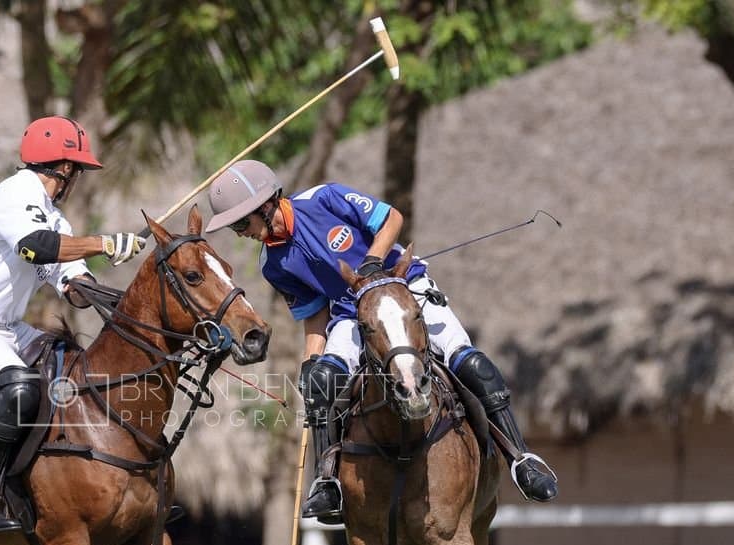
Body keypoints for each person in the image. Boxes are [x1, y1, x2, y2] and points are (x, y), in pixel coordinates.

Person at [203, 160, 557, 519]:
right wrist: (311, 360)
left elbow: (392, 219)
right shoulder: (272, 263)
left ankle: (521, 459)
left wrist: (373, 261)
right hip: (351, 314)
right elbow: (314, 314)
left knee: (472, 363)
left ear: (264, 205)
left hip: (406, 290)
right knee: (320, 382)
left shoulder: (324, 199)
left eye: (240, 223)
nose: (238, 232)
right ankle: (328, 482)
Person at [0, 116, 146, 534]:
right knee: (21, 386)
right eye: (77, 170)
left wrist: (109, 279)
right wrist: (104, 242)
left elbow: (74, 287)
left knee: (76, 371)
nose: (76, 178)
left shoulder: (56, 220)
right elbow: (34, 248)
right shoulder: (15, 192)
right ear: (63, 168)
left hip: (6, 328)